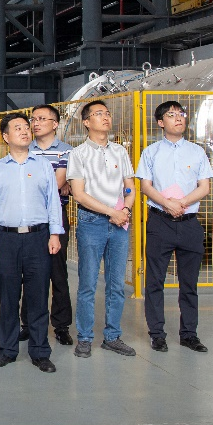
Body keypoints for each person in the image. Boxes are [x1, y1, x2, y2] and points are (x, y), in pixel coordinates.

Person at [0, 113, 64, 373]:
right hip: (6, 239)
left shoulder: (43, 167)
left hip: (39, 238)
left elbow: (53, 202)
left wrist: (55, 234)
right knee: (8, 298)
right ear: (6, 137)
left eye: (26, 127)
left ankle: (40, 351)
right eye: (18, 128)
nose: (25, 131)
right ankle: (7, 349)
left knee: (38, 297)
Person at [137, 100, 213, 354]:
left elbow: (204, 186)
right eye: (171, 115)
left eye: (181, 114)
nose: (179, 118)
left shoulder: (197, 152)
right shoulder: (150, 152)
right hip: (160, 222)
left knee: (189, 284)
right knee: (155, 281)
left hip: (189, 223)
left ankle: (189, 334)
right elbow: (146, 186)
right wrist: (167, 203)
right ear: (161, 122)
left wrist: (181, 203)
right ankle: (157, 334)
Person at [66, 100, 137, 358]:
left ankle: (112, 336)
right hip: (92, 223)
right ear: (86, 122)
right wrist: (112, 212)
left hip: (120, 223)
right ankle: (84, 338)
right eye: (98, 114)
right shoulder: (78, 154)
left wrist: (125, 209)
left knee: (116, 284)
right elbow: (79, 194)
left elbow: (130, 187)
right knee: (87, 283)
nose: (105, 117)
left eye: (107, 113)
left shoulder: (120, 151)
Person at [20, 104, 75, 346]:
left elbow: (57, 184)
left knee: (58, 272)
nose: (36, 123)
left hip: (55, 216)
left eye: (42, 118)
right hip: (29, 217)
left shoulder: (67, 151)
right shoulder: (24, 149)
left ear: (55, 124)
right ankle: (28, 324)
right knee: (30, 273)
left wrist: (43, 183)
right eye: (33, 119)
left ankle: (61, 326)